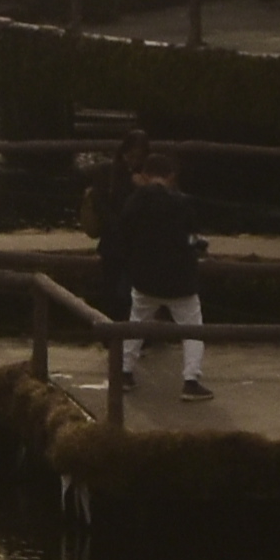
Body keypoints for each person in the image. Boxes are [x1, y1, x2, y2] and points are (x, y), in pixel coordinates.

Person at [102, 144, 214, 399]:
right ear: (171, 176)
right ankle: (191, 380)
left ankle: (125, 372)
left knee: (136, 323)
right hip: (180, 279)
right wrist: (197, 246)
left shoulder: (134, 202)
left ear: (144, 174)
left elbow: (124, 235)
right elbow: (191, 236)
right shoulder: (181, 203)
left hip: (144, 277)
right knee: (192, 328)